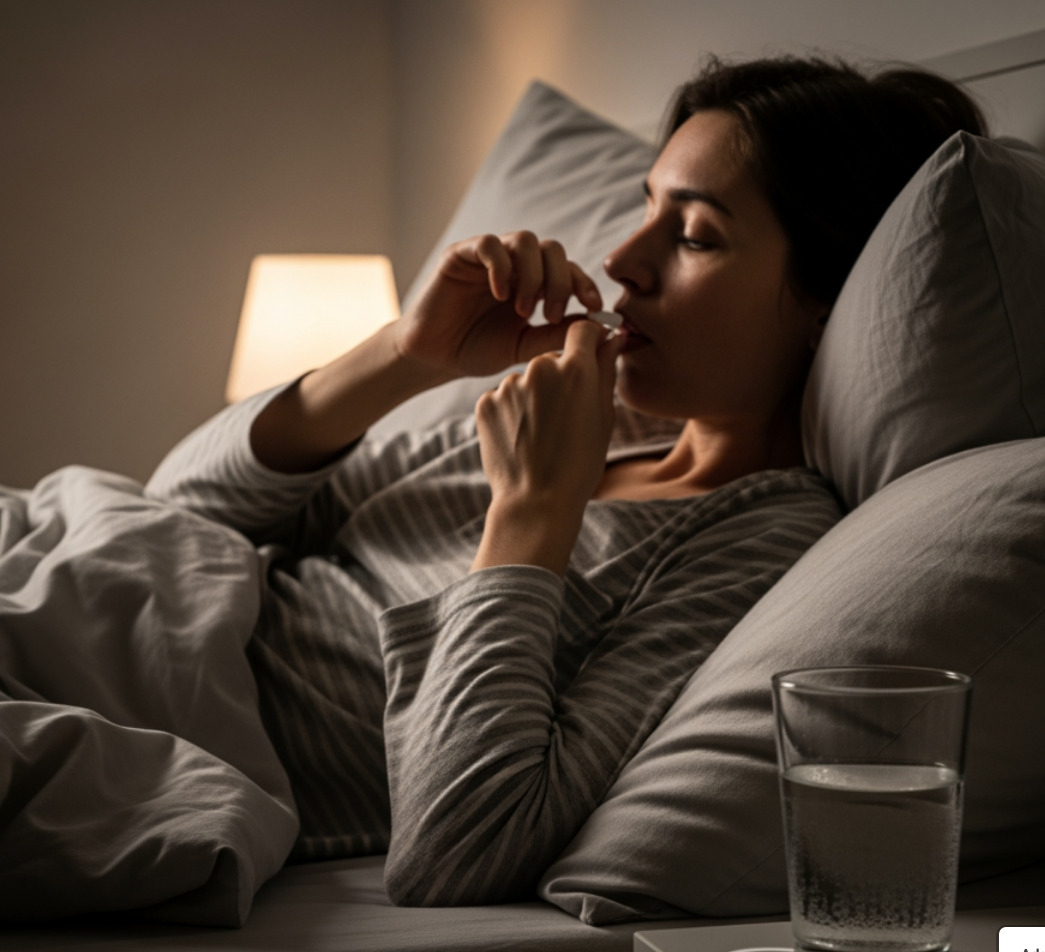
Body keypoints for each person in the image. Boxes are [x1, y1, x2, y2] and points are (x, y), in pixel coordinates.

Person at [146, 55, 987, 907]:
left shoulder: (753, 540)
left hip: (142, 708)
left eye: (696, 236)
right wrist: (406, 355)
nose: (621, 260)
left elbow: (457, 849)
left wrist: (531, 512)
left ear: (828, 300)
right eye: (647, 209)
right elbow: (180, 506)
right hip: (109, 598)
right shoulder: (591, 416)